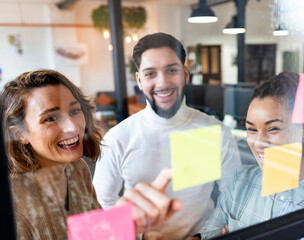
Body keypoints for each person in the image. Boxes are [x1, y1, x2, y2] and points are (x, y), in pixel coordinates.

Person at [1, 69, 181, 240]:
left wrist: (139, 234)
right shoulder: (12, 202)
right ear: (19, 134)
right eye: (50, 118)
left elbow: (95, 232)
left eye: (74, 111)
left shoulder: (77, 168)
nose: (73, 127)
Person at [93, 32, 241, 239]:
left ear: (185, 75)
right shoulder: (117, 139)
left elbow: (233, 199)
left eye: (171, 70)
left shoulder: (215, 132)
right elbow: (101, 203)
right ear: (140, 80)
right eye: (150, 73)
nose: (162, 83)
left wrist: (204, 236)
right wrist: (140, 236)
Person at [200, 72, 304, 239]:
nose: (259, 142)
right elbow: (209, 234)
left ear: (303, 130)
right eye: (252, 129)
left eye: (273, 129)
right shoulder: (240, 180)